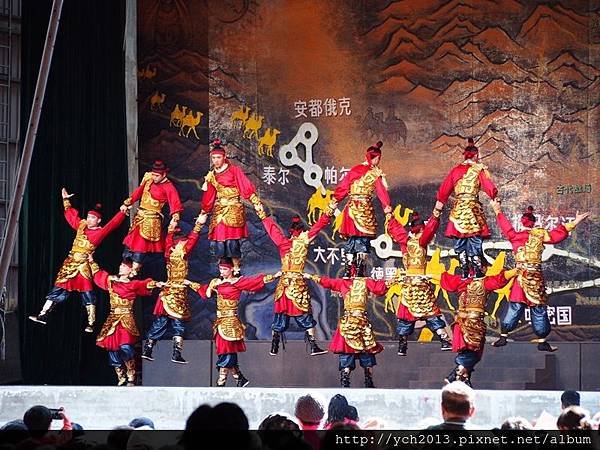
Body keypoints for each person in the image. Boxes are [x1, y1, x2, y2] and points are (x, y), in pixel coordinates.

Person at [490, 200, 590, 352]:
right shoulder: (541, 235)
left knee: (516, 306)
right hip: (534, 277)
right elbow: (557, 235)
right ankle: (542, 341)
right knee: (538, 308)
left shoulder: (515, 236)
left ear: (522, 223)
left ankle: (503, 336)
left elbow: (505, 226)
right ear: (533, 223)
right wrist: (574, 222)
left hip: (522, 275)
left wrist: (497, 210)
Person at [29, 188, 127, 333]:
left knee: (87, 292)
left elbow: (112, 224)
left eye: (92, 218)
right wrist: (66, 200)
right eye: (88, 216)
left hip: (82, 266)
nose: (88, 219)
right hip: (70, 264)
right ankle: (43, 315)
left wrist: (123, 212)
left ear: (98, 220)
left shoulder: (99, 232)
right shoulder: (81, 226)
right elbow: (71, 217)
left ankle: (91, 323)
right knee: (58, 288)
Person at [187, 258, 280, 387]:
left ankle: (221, 381)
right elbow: (207, 295)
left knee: (226, 350)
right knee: (223, 350)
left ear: (232, 269)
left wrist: (274, 276)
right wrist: (206, 285)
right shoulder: (217, 282)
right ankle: (239, 378)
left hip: (230, 321)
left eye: (225, 269)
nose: (222, 271)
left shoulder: (237, 282)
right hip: (219, 321)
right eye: (220, 269)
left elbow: (255, 281)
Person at [260, 205, 336, 356]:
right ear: (301, 231)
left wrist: (263, 216)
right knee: (305, 315)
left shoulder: (282, 242)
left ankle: (274, 346)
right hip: (298, 285)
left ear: (290, 232)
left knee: (280, 315)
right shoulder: (304, 241)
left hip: (284, 285)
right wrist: (328, 212)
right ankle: (313, 345)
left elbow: (272, 231)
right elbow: (318, 227)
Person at [142, 213, 206, 364]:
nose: (184, 244)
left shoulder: (168, 253)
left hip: (171, 291)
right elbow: (193, 238)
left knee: (162, 322)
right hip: (175, 291)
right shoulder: (181, 252)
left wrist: (172, 226)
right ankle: (174, 352)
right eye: (182, 241)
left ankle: (150, 349)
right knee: (176, 323)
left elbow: (171, 239)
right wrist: (199, 224)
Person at [437, 266, 516, 387]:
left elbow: (443, 279)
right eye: (485, 268)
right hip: (473, 323)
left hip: (462, 322)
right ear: (483, 268)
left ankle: (463, 378)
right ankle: (455, 374)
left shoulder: (460, 281)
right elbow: (501, 279)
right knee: (472, 351)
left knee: (473, 352)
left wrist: (423, 275)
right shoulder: (484, 282)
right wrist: (517, 270)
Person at [386, 209, 451, 355]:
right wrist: (435, 214)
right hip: (420, 284)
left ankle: (402, 345)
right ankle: (444, 339)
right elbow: (430, 229)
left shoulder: (405, 241)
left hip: (409, 284)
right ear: (420, 229)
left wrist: (389, 216)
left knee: (407, 317)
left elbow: (396, 231)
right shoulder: (421, 241)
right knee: (430, 314)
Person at [305, 273, 387, 388]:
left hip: (359, 323)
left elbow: (379, 288)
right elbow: (380, 288)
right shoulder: (354, 282)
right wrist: (313, 277)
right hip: (353, 323)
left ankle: (365, 382)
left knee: (364, 353)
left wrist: (313, 277)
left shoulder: (361, 282)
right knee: (354, 352)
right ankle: (347, 381)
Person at [200, 139, 266, 275]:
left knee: (231, 243)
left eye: (218, 157)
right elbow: (209, 196)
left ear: (224, 157)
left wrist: (255, 202)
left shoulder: (234, 171)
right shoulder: (211, 176)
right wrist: (204, 212)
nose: (216, 160)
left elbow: (245, 186)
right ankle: (223, 269)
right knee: (219, 243)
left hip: (233, 209)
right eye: (213, 158)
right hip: (219, 211)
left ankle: (236, 268)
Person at [435, 138, 498, 279]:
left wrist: (439, 204)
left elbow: (444, 190)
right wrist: (494, 197)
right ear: (476, 155)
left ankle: (464, 269)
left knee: (460, 239)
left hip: (458, 210)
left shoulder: (456, 170)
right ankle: (477, 269)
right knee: (475, 239)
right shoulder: (479, 169)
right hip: (473, 208)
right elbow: (489, 188)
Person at [91, 257, 159, 386]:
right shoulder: (111, 281)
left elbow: (145, 284)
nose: (120, 267)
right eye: (121, 265)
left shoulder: (133, 285)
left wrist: (156, 284)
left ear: (130, 270)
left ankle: (131, 372)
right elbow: (98, 274)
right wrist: (91, 261)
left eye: (124, 266)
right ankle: (120, 375)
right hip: (113, 319)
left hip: (126, 319)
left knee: (126, 347)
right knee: (112, 349)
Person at [332, 140, 392, 278]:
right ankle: (359, 270)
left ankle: (347, 270)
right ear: (375, 158)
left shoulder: (354, 170)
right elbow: (382, 192)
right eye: (378, 158)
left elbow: (343, 187)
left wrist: (335, 200)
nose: (378, 161)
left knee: (351, 240)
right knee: (363, 241)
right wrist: (387, 207)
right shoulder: (374, 173)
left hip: (351, 209)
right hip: (364, 209)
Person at [121, 159, 183, 276]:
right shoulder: (148, 179)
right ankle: (125, 269)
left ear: (164, 174)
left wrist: (175, 219)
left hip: (151, 221)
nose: (154, 177)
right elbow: (138, 192)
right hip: (139, 218)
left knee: (141, 246)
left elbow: (175, 204)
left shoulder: (169, 187)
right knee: (129, 245)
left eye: (157, 175)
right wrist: (126, 203)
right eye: (153, 174)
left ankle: (134, 270)